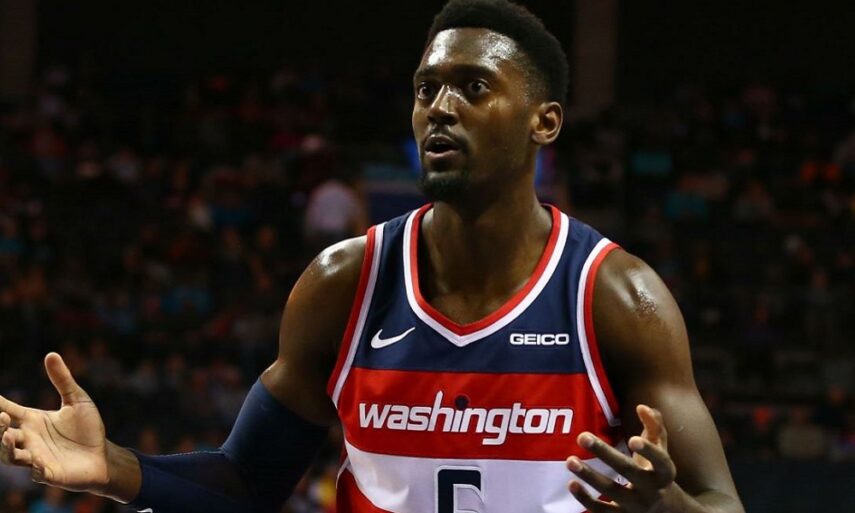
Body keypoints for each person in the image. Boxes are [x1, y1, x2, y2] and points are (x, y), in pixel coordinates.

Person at [0, 1, 744, 512]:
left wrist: (667, 506)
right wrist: (115, 468)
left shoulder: (615, 297)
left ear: (543, 122)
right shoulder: (345, 282)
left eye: (473, 87)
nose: (440, 107)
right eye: (426, 88)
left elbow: (720, 503)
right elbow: (246, 482)